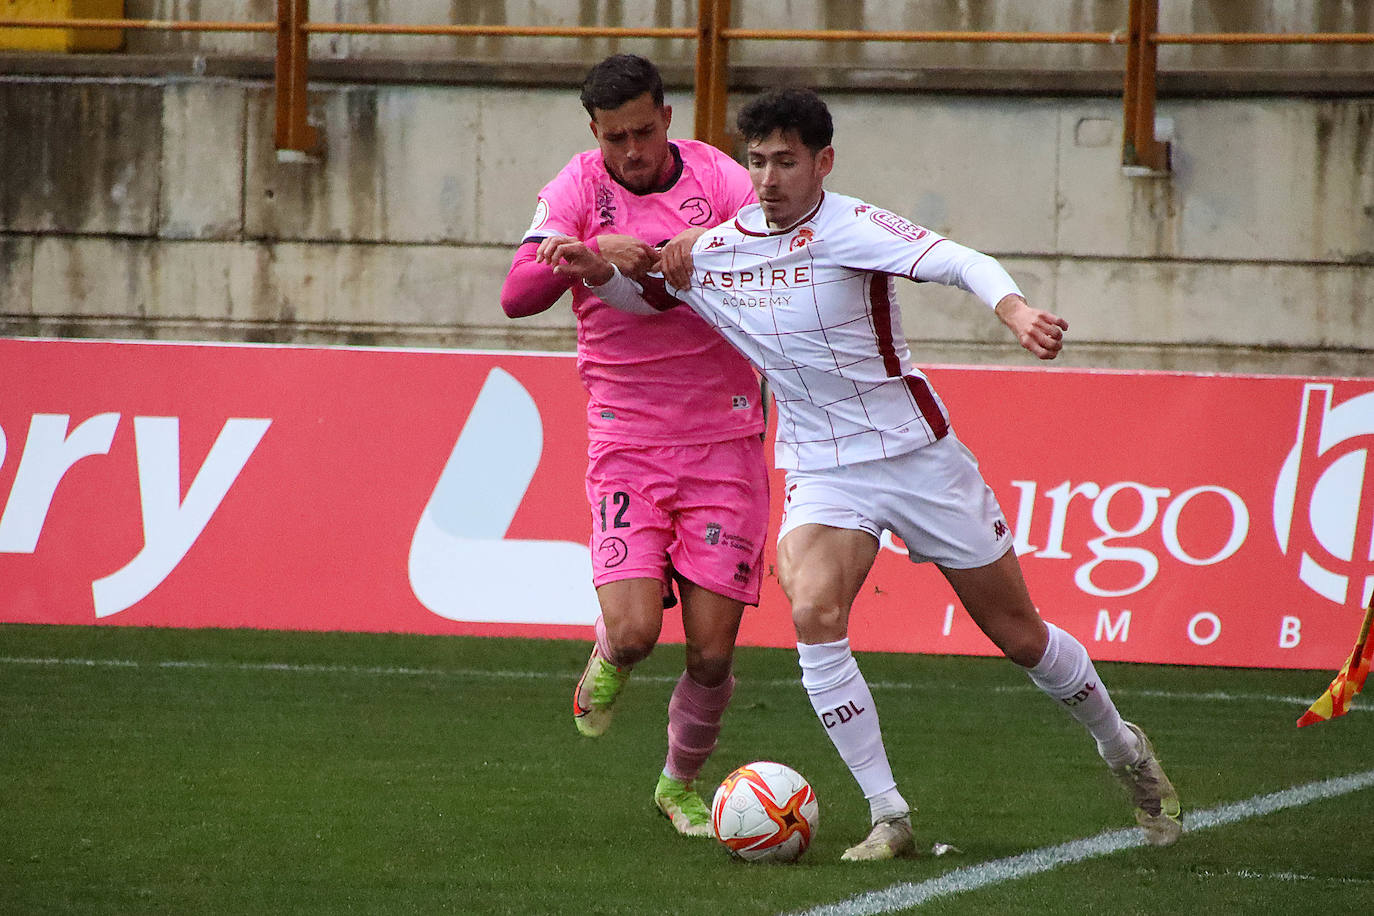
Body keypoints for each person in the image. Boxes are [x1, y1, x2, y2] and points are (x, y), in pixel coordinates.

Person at [538, 87, 1183, 860]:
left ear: (823, 163)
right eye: (758, 162)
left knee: (1020, 636)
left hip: (916, 458)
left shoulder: (852, 227)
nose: (769, 178)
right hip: (821, 468)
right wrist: (593, 272)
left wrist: (1013, 310)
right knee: (812, 610)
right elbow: (649, 303)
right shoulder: (716, 247)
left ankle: (1123, 748)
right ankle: (890, 816)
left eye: (785, 161)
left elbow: (956, 260)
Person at [499, 54, 770, 838]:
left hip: (724, 438)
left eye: (644, 132)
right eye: (615, 137)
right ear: (595, 133)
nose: (632, 152)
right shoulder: (578, 188)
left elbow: (771, 258)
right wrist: (585, 257)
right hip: (628, 440)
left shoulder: (721, 181)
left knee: (713, 656)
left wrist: (707, 245)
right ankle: (609, 655)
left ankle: (677, 785)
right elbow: (517, 294)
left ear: (668, 118)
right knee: (635, 632)